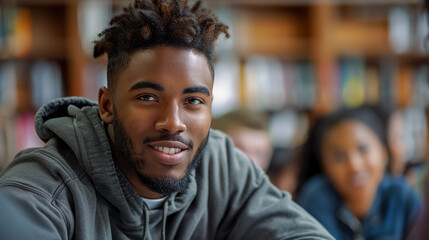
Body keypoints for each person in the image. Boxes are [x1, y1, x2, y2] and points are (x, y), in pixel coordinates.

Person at [0, 0, 333, 239]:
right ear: (106, 105)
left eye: (193, 101)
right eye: (148, 98)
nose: (173, 122)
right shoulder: (44, 187)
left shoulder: (221, 164)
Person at [296, 107, 422, 240]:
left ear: (383, 153)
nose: (354, 166)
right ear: (325, 165)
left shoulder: (402, 196)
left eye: (363, 149)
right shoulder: (316, 197)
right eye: (339, 157)